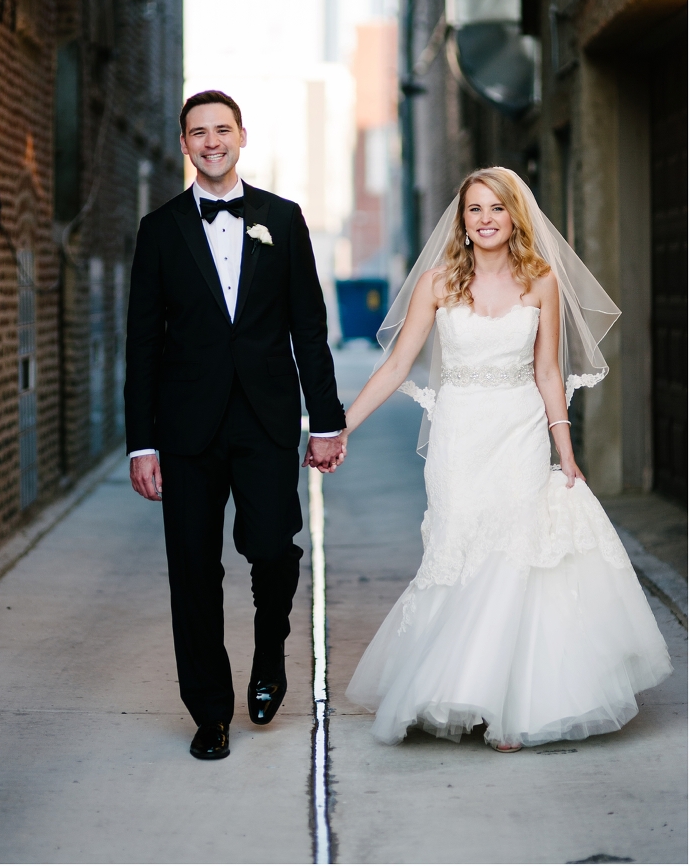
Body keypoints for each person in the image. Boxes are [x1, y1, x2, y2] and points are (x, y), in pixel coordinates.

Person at [341, 167, 672, 752]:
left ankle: (504, 708)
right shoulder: (440, 283)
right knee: (458, 551)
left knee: (512, 559)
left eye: (497, 208)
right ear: (462, 220)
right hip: (460, 436)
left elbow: (547, 371)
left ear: (515, 215)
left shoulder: (540, 281)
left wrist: (564, 452)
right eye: (474, 209)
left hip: (518, 432)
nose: (486, 219)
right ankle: (454, 687)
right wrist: (340, 427)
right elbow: (396, 367)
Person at [125, 90, 346, 761]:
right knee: (192, 569)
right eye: (199, 132)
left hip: (265, 418)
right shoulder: (159, 230)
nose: (211, 141)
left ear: (242, 137)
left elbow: (308, 326)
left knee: (273, 548)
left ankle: (271, 654)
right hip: (186, 428)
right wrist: (143, 441)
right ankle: (210, 713)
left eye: (222, 130)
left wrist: (326, 421)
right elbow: (143, 343)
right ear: (185, 144)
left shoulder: (284, 218)